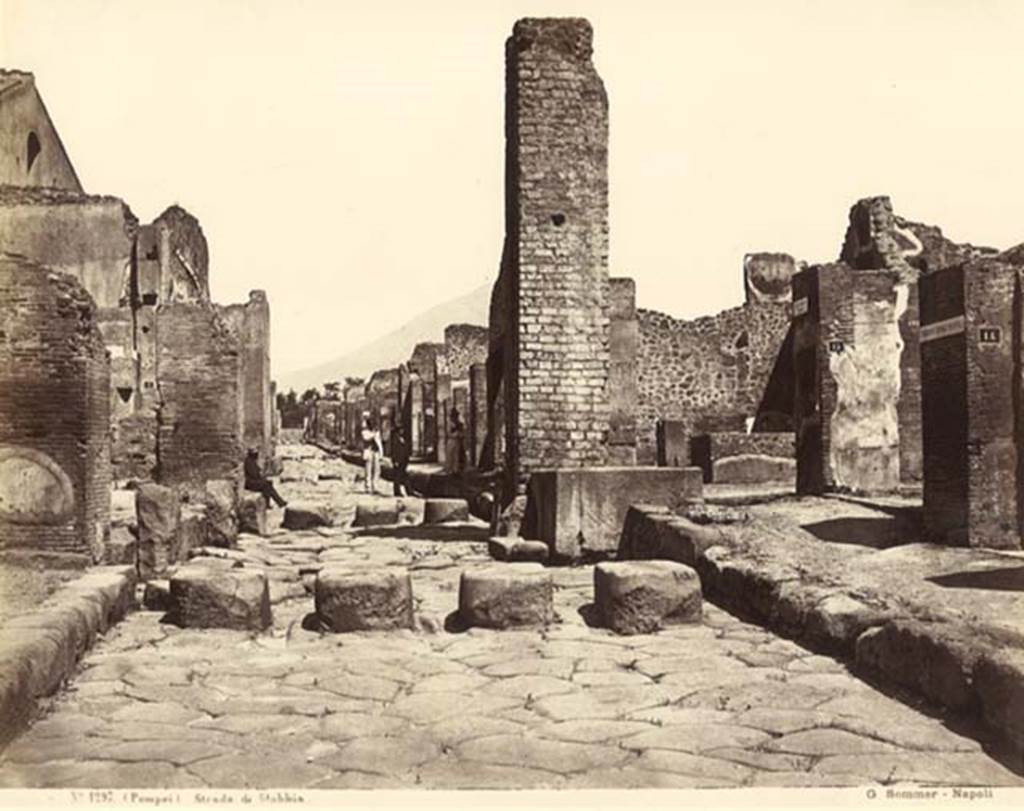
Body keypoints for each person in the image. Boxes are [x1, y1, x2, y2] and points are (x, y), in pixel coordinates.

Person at [360, 415, 384, 494]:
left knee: (377, 470)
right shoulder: (365, 431)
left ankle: (375, 486)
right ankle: (368, 487)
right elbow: (366, 438)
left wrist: (381, 453)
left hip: (375, 452)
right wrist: (374, 434)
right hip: (369, 451)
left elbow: (379, 443)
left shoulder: (376, 432)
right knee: (368, 470)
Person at [390, 421, 410, 496]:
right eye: (401, 429)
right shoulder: (395, 439)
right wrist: (395, 460)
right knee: (397, 477)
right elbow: (394, 450)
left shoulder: (402, 438)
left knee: (404, 476)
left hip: (403, 460)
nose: (402, 431)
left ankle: (409, 491)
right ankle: (397, 492)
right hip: (398, 461)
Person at [448, 406, 466, 476]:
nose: (454, 417)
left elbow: (462, 433)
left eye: (455, 415)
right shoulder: (450, 424)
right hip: (452, 440)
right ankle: (451, 470)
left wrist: (460, 435)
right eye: (453, 416)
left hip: (458, 441)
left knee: (457, 455)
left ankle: (457, 470)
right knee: (451, 455)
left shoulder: (460, 424)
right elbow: (449, 433)